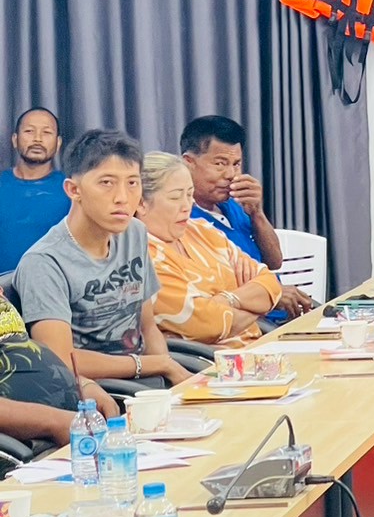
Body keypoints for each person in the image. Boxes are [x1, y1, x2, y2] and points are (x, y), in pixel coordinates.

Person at [15, 129, 191, 388]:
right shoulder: (43, 262)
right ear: (73, 190)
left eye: (132, 183)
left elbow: (147, 327)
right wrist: (155, 365)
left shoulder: (133, 232)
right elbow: (61, 360)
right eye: (107, 183)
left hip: (147, 382)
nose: (122, 198)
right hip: (98, 391)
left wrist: (172, 384)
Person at [138, 152, 282, 346]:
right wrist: (254, 306)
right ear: (141, 203)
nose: (187, 206)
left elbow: (270, 283)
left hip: (260, 346)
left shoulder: (201, 229)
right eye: (175, 197)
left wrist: (227, 300)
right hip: (211, 360)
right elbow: (209, 325)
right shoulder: (141, 256)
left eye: (190, 195)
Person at [179, 115, 311, 323]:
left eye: (236, 164)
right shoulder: (182, 218)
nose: (231, 174)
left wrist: (257, 213)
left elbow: (275, 261)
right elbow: (209, 296)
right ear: (188, 163)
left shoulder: (233, 203)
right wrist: (271, 295)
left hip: (282, 316)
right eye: (220, 164)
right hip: (251, 325)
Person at [0, 291, 120, 449]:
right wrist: (54, 422)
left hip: (76, 428)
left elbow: (19, 347)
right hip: (31, 446)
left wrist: (83, 385)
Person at [0, 107, 71, 274]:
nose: (37, 139)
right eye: (29, 131)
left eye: (46, 132)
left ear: (58, 143)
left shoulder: (72, 191)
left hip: (52, 285)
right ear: (15, 140)